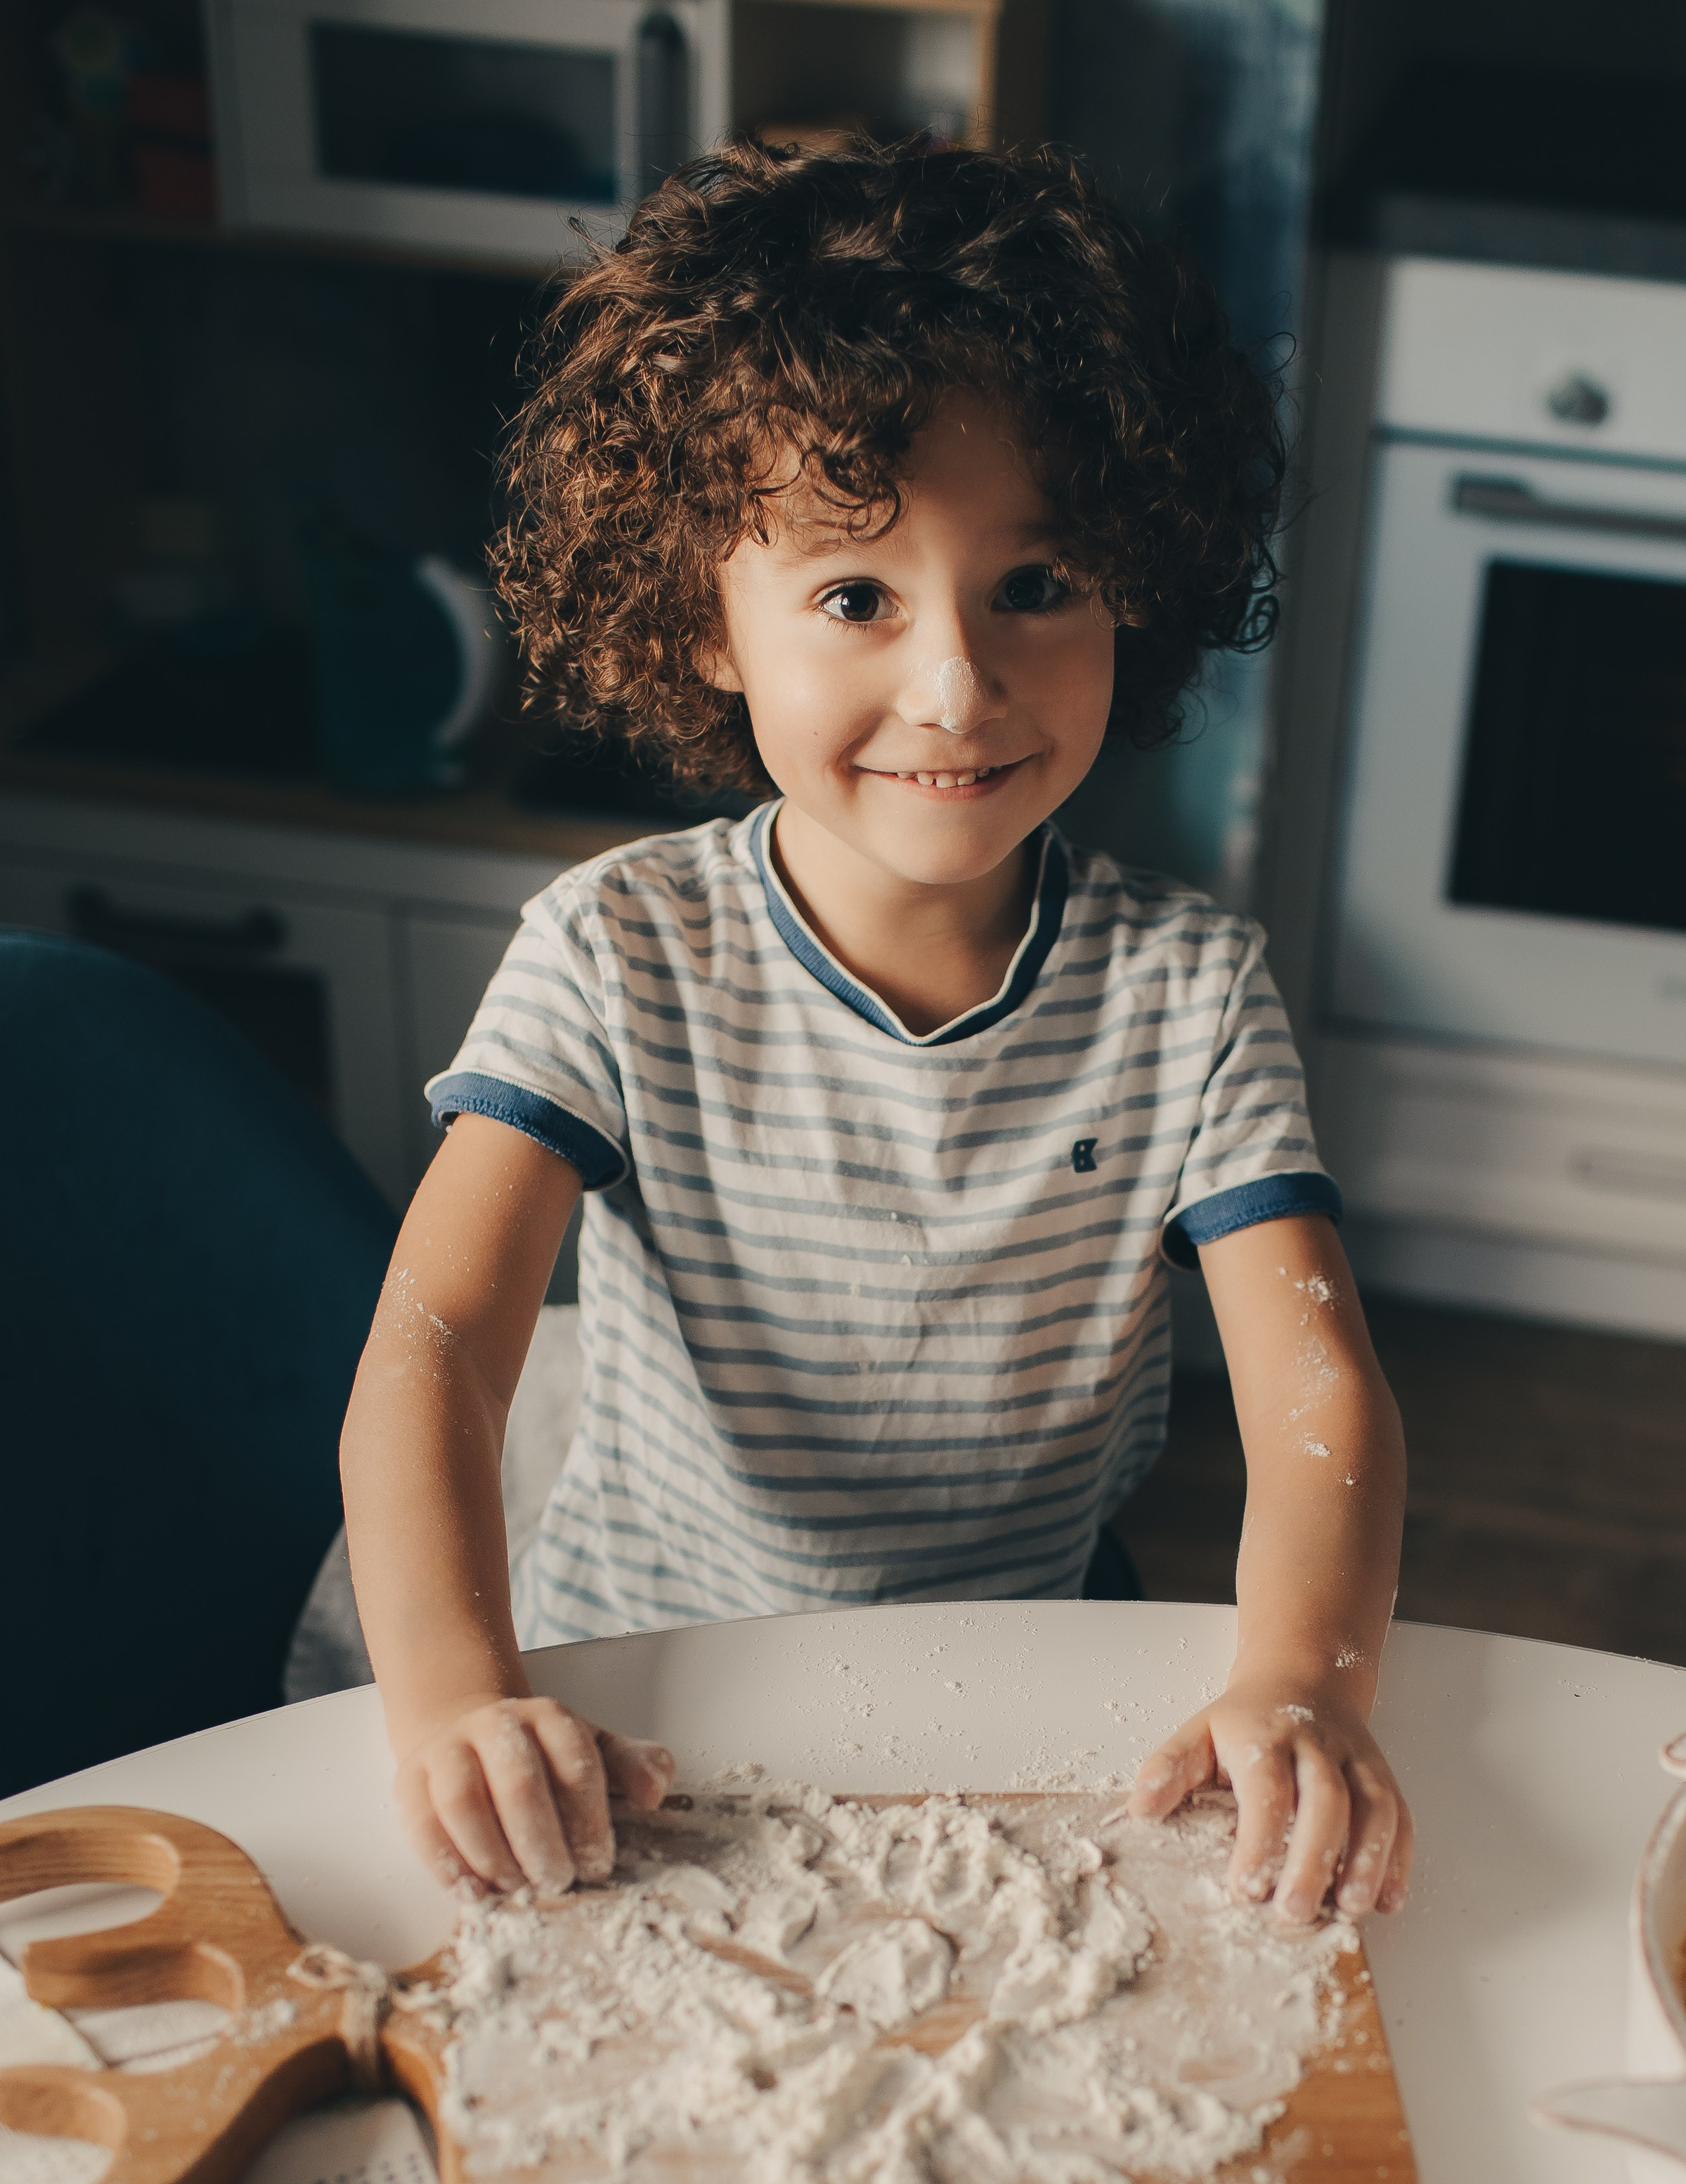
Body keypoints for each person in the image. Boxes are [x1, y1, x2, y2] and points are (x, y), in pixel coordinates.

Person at [339, 136, 1414, 1925]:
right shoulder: (617, 951)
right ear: (701, 614)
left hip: (1034, 1681)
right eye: (856, 596)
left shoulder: (1187, 994)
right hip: (639, 1681)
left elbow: (1317, 1395)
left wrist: (1300, 1679)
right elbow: (437, 1347)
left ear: (1135, 582)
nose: (956, 684)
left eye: (1035, 584)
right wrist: (459, 1692)